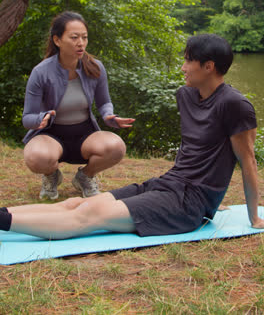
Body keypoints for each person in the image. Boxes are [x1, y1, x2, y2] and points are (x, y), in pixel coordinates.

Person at [1, 33, 264, 239]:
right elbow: (195, 150)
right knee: (75, 204)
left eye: (188, 60)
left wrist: (253, 217)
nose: (182, 67)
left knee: (91, 214)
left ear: (208, 66)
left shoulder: (235, 105)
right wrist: (214, 198)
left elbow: (248, 161)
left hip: (188, 204)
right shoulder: (186, 95)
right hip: (168, 184)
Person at [21, 11, 135, 200]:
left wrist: (109, 116)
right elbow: (27, 118)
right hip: (51, 136)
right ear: (57, 40)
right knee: (36, 157)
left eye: (84, 37)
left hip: (84, 135)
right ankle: (51, 175)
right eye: (74, 38)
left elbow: (104, 102)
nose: (80, 43)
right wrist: (40, 119)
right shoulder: (41, 72)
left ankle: (85, 177)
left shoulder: (95, 67)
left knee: (117, 147)